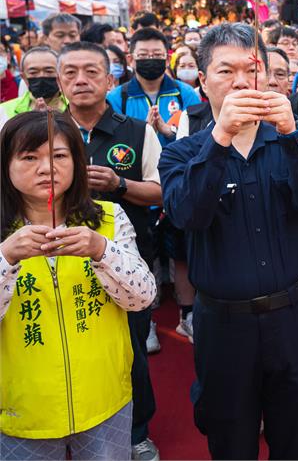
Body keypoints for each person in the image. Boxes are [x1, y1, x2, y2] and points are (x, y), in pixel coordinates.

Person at [159, 23, 298, 459]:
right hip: (223, 325)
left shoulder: (289, 139)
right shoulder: (182, 153)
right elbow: (188, 215)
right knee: (230, 440)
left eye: (252, 69)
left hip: (292, 317)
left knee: (295, 437)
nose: (241, 81)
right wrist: (220, 138)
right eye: (225, 71)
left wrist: (295, 132)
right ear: (202, 81)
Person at [0, 110, 156, 460]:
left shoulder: (108, 218)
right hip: (22, 408)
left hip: (105, 399)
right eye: (29, 157)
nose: (47, 168)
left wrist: (102, 251)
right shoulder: (4, 237)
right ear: (6, 166)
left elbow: (142, 297)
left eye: (58, 156)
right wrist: (6, 258)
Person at [58, 41, 165, 459]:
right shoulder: (45, 128)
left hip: (125, 262)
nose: (80, 80)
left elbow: (160, 192)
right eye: (70, 73)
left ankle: (137, 432)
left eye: (90, 72)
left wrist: (119, 186)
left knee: (132, 350)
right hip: (58, 262)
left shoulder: (137, 132)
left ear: (110, 78)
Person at [107, 28, 200, 145]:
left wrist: (170, 132)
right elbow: (113, 144)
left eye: (157, 54)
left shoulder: (186, 94)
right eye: (143, 55)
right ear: (131, 60)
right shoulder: (117, 98)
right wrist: (143, 133)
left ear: (167, 60)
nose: (150, 59)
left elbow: (198, 137)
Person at [0, 47, 65, 129]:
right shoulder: (4, 110)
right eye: (33, 72)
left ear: (60, 74)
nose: (41, 75)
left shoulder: (74, 106)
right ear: (24, 78)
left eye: (49, 71)